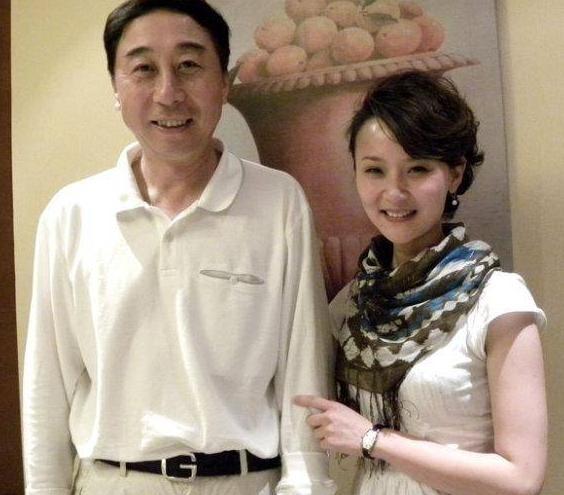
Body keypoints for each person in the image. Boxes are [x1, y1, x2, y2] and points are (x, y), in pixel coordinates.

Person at [22, 1, 336, 494]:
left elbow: (304, 372)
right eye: (144, 69)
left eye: (189, 65)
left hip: (246, 482)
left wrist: (308, 487)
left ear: (224, 82)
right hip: (113, 482)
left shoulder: (278, 202)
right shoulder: (72, 214)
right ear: (116, 86)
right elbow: (47, 387)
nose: (168, 93)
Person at [295, 71, 547, 495]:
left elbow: (520, 478)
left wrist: (373, 440)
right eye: (374, 170)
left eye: (417, 169)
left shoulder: (498, 299)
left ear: (454, 173)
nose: (394, 192)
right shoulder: (352, 305)